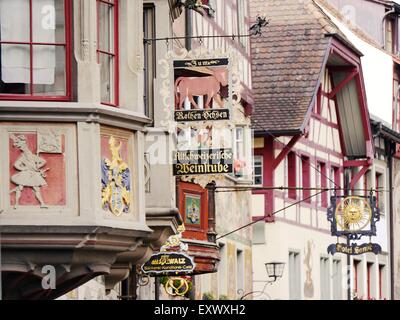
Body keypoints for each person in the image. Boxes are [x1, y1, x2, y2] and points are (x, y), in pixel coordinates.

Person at [9, 134, 48, 209]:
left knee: (36, 189)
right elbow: (16, 165)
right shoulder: (23, 158)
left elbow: (43, 161)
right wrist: (23, 169)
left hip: (33, 175)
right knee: (20, 187)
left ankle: (42, 203)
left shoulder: (33, 157)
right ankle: (16, 204)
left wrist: (37, 166)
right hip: (25, 174)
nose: (26, 151)